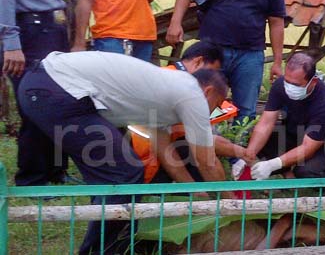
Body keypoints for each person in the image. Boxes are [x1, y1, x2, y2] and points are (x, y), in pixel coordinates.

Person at [17, 51, 231, 254]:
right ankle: (105, 250)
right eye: (216, 106)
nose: (211, 113)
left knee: (116, 175)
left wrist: (194, 191)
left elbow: (165, 151)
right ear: (208, 92)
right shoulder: (192, 94)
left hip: (44, 84)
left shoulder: (168, 93)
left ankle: (118, 242)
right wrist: (234, 205)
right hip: (57, 88)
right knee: (122, 174)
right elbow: (207, 162)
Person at [0, 0, 85, 186]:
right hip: (29, 36)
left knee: (57, 104)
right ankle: (32, 179)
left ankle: (55, 172)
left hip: (52, 34)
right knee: (35, 105)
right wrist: (11, 44)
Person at [165, 0, 285, 124]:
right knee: (202, 102)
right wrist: (175, 23)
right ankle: (201, 150)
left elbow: (276, 22)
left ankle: (237, 153)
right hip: (212, 50)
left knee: (246, 110)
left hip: (250, 56)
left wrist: (278, 62)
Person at [129, 41, 247, 184]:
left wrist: (242, 152)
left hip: (138, 154)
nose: (212, 77)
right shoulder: (182, 89)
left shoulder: (167, 75)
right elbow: (204, 146)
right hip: (139, 160)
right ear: (198, 62)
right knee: (199, 154)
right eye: (211, 71)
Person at [242, 51, 325, 180]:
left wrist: (272, 165)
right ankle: (287, 173)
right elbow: (266, 122)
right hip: (295, 135)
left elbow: (307, 147)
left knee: (305, 172)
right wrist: (248, 156)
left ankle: (324, 180)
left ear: (314, 81)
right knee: (254, 139)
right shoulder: (280, 86)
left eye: (296, 85)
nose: (289, 87)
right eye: (287, 81)